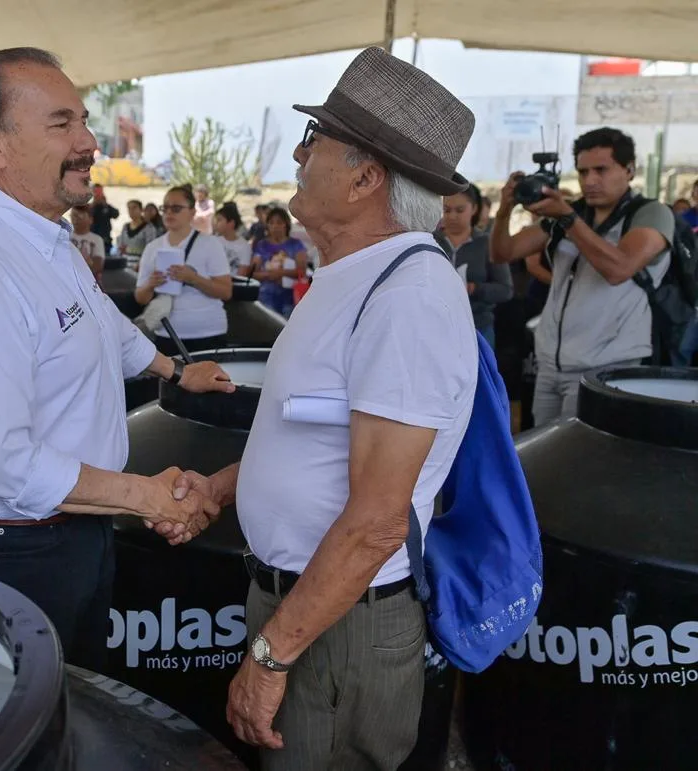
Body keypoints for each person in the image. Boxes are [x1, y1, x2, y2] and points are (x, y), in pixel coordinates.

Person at [165, 47, 478, 770]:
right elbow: (308, 434)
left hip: (335, 629)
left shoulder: (408, 297)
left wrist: (272, 657)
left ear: (367, 177)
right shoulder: (350, 276)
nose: (300, 155)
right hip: (306, 610)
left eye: (317, 142)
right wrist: (220, 487)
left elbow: (375, 522)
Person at [0, 48, 234, 671]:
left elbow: (101, 324)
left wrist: (171, 371)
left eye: (83, 121)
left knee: (78, 719)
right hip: (14, 558)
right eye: (62, 125)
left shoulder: (48, 242)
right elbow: (5, 466)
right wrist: (149, 498)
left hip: (79, 532)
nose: (88, 143)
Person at [490, 127, 675, 424]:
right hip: (551, 362)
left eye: (601, 170)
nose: (590, 181)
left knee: (586, 462)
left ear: (629, 170)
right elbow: (504, 252)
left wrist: (567, 218)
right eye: (583, 171)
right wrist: (504, 211)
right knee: (545, 456)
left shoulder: (651, 213)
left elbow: (619, 269)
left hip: (608, 364)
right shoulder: (574, 213)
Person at [134, 185, 233, 355]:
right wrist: (151, 284)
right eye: (165, 208)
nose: (169, 213)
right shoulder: (152, 247)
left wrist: (194, 278)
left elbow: (225, 292)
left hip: (208, 332)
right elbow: (140, 298)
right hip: (166, 332)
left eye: (176, 208)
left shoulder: (210, 244)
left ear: (192, 212)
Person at [435, 183, 512, 347]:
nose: (453, 216)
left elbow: (506, 290)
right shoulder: (430, 241)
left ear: (474, 209)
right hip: (436, 328)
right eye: (447, 210)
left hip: (478, 328)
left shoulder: (487, 244)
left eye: (460, 210)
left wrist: (475, 289)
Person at [250, 207, 308, 317]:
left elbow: (302, 271)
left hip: (290, 299)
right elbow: (252, 273)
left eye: (279, 222)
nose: (275, 226)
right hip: (265, 298)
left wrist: (281, 273)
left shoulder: (296, 245)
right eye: (271, 223)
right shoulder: (261, 246)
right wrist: (269, 275)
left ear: (286, 224)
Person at [70, 204, 105, 280]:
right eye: (73, 216)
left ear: (90, 220)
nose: (75, 220)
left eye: (80, 217)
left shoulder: (97, 239)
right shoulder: (65, 236)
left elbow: (98, 266)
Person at [215, 203, 252, 274]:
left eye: (219, 220)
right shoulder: (214, 241)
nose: (216, 223)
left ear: (231, 223)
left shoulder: (244, 247)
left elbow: (241, 274)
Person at [116, 199, 157, 263]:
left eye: (134, 208)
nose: (131, 211)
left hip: (140, 263)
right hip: (125, 262)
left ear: (141, 210)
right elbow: (121, 246)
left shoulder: (149, 228)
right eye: (129, 208)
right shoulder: (125, 227)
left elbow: (150, 249)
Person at [90, 183, 119, 254]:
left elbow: (116, 215)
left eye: (100, 192)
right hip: (91, 240)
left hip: (105, 241)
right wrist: (93, 205)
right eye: (96, 192)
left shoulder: (107, 207)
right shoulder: (89, 208)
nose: (98, 195)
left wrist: (105, 205)